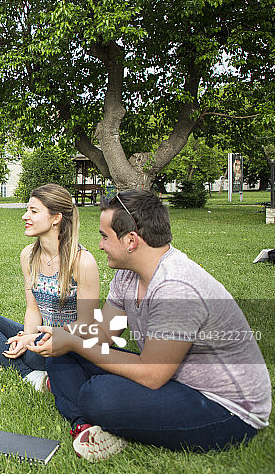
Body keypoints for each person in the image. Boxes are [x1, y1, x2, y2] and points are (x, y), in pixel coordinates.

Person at [29, 189, 271, 461]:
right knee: (61, 354)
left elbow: (151, 374)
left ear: (131, 240)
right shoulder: (127, 275)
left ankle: (102, 414)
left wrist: (75, 342)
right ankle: (85, 426)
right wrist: (64, 335)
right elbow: (104, 332)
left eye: (105, 236)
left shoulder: (175, 286)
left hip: (225, 409)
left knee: (99, 395)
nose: (100, 245)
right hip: (174, 381)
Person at [0, 183, 99, 391]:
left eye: (33, 211)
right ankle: (27, 370)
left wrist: (30, 340)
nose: (25, 216)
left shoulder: (82, 261)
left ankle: (13, 365)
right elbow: (33, 309)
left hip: (68, 345)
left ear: (56, 218)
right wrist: (26, 338)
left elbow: (85, 327)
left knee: (40, 350)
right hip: (39, 336)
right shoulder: (28, 255)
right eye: (27, 210)